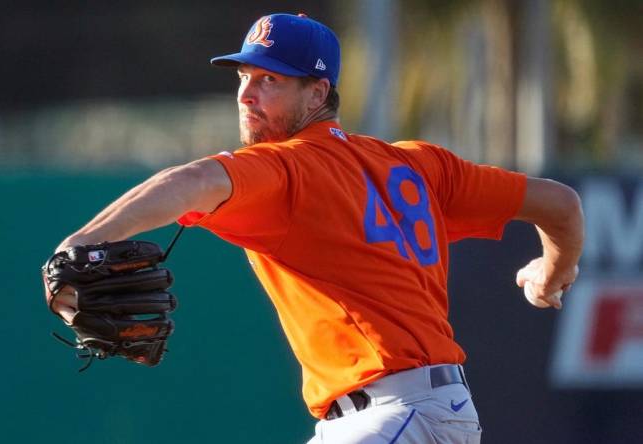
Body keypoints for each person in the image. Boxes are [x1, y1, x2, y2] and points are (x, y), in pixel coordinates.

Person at [50, 13, 584, 444]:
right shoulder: (421, 166)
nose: (247, 94)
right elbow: (560, 206)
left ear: (317, 93)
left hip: (393, 414)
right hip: (404, 415)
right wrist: (552, 273)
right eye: (244, 78)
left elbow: (189, 180)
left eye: (271, 80)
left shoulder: (290, 170)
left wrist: (80, 244)